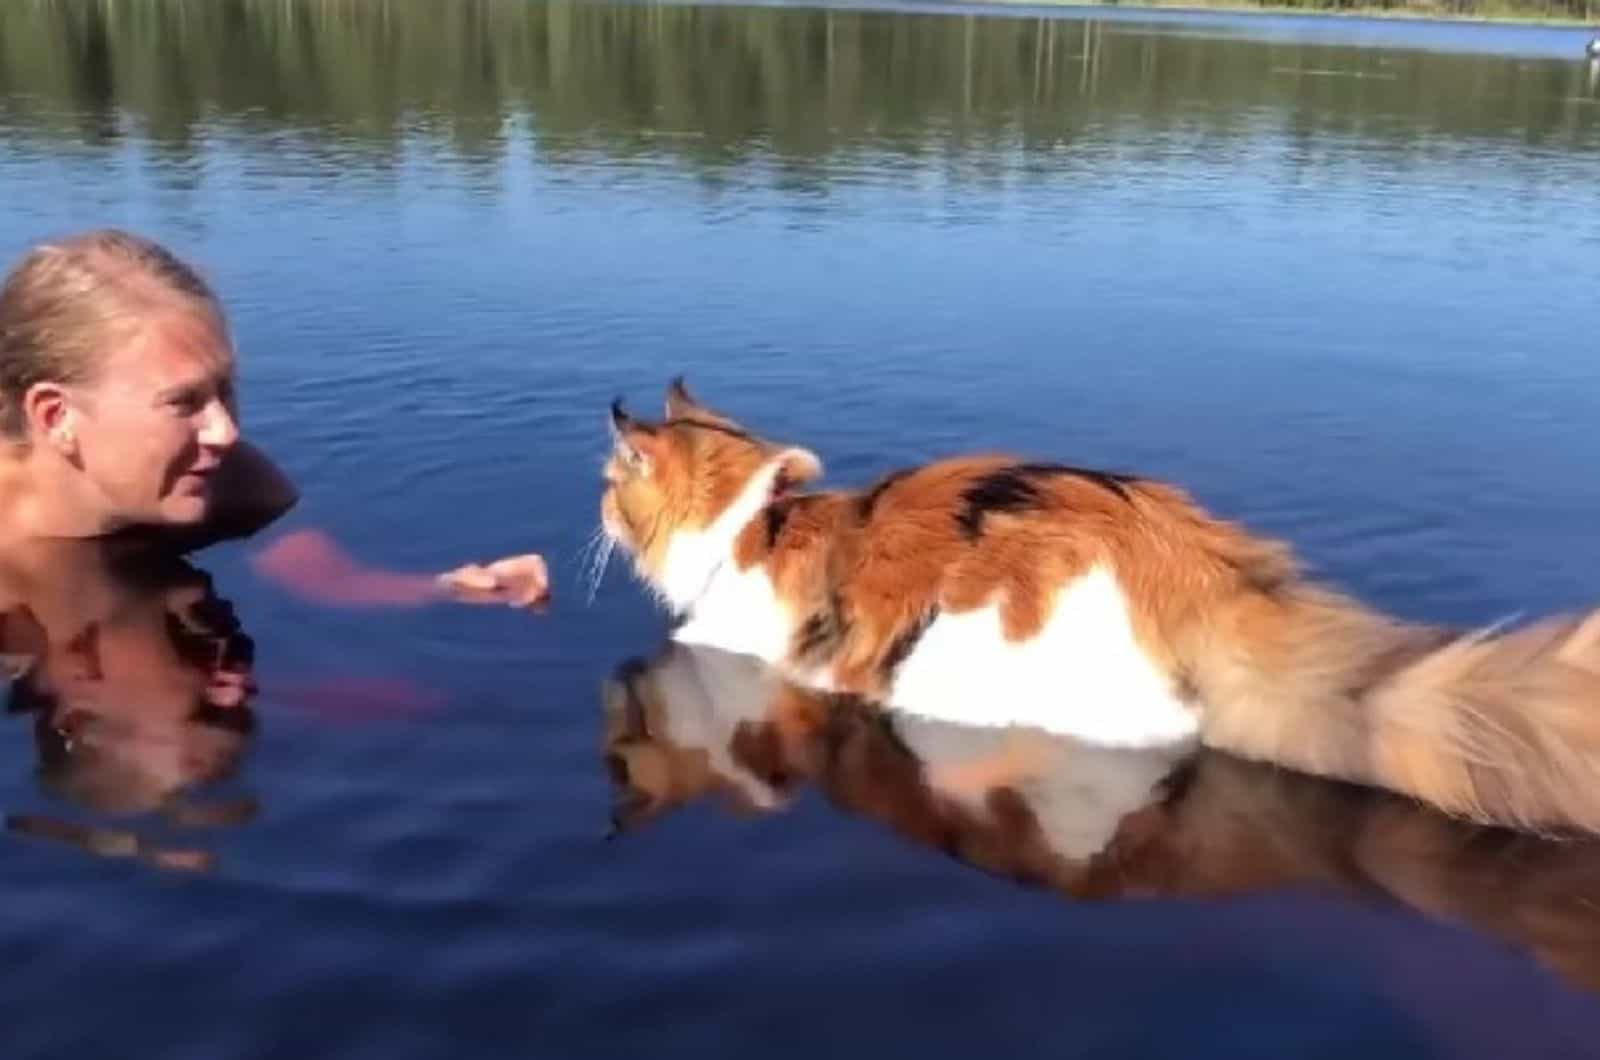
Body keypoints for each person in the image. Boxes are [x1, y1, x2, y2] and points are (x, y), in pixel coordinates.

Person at [0, 229, 547, 605]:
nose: (225, 431)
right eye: (183, 403)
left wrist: (453, 589)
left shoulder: (234, 480)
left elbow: (334, 582)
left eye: (226, 390)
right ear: (56, 416)